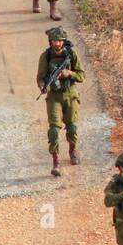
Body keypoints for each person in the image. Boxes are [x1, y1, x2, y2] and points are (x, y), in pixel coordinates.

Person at [38, 26, 84, 177]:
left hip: (70, 94)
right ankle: (56, 161)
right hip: (54, 97)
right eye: (54, 41)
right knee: (54, 130)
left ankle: (72, 150)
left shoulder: (71, 54)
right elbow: (40, 77)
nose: (57, 44)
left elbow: (81, 76)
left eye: (59, 41)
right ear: (50, 41)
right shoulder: (45, 56)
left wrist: (67, 73)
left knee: (72, 127)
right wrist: (43, 86)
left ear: (63, 41)